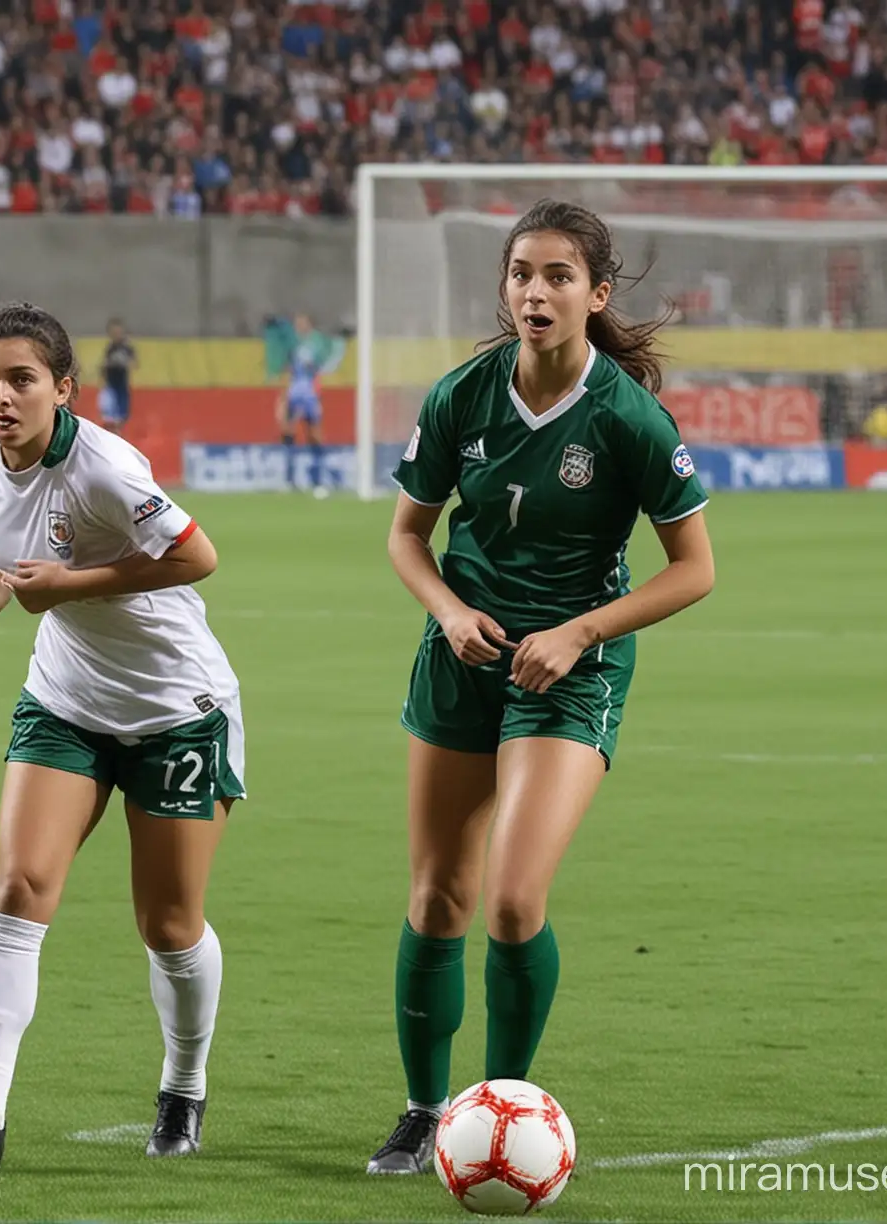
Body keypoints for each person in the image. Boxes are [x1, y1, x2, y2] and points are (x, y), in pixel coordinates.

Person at [367, 199, 714, 1175]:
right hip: (464, 659)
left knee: (514, 900)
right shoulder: (462, 395)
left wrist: (579, 632)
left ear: (596, 295)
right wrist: (445, 608)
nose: (536, 291)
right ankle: (424, 1107)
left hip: (571, 672)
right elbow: (406, 535)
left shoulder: (629, 419)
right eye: (522, 273)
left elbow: (694, 569)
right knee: (439, 893)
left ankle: (503, 1105)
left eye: (559, 276)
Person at [0, 303, 242, 1172]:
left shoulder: (107, 467)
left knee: (168, 923)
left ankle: (184, 1086)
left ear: (62, 388)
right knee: (17, 887)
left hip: (175, 707)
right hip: (66, 703)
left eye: (20, 379)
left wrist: (73, 583)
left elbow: (199, 558)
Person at [274, 313, 340, 492]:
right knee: (288, 432)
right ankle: (289, 481)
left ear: (309, 324)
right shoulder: (293, 344)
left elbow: (322, 369)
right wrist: (283, 397)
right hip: (294, 394)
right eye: (297, 323)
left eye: (302, 323)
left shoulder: (318, 343)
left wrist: (318, 395)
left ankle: (317, 480)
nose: (299, 326)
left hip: (309, 394)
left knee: (314, 435)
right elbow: (288, 370)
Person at [98, 317, 138, 435]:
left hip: (121, 383)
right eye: (113, 332)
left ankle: (118, 430)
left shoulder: (127, 348)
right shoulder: (110, 348)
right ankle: (111, 428)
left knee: (121, 412)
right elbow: (104, 363)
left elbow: (134, 363)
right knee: (108, 411)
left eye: (118, 332)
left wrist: (124, 363)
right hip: (111, 383)